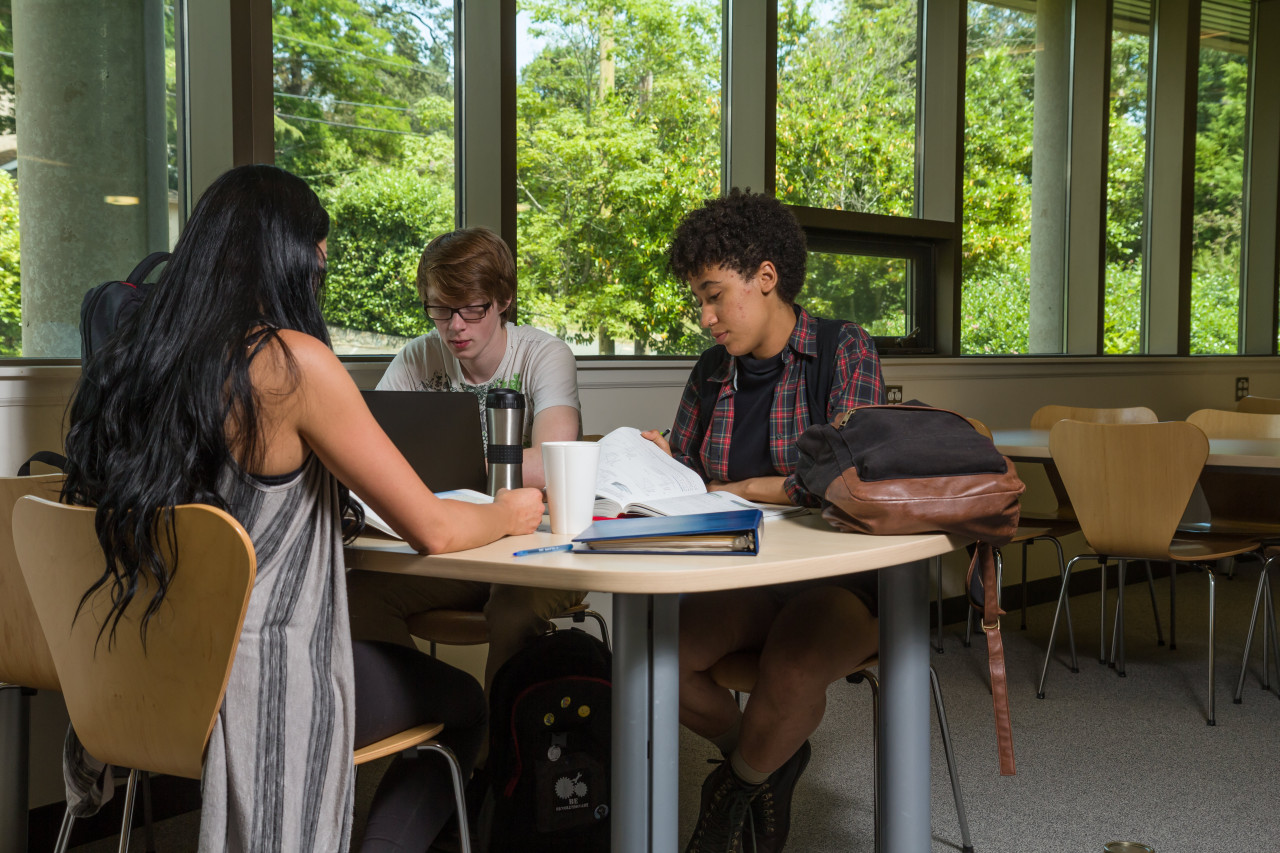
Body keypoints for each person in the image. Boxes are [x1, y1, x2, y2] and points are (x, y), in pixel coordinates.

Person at [60, 164, 545, 853]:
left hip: (145, 673)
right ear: (298, 256)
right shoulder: (291, 365)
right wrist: (511, 510)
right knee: (468, 707)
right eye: (319, 253)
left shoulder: (139, 359)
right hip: (257, 684)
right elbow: (434, 528)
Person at [641, 189, 885, 853]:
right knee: (659, 662)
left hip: (839, 578)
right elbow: (691, 481)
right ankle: (760, 765)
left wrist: (749, 486)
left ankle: (730, 789)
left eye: (715, 294)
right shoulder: (710, 372)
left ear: (767, 277)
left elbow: (848, 476)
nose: (705, 316)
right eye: (698, 298)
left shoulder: (845, 350)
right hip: (742, 573)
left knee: (794, 664)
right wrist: (657, 466)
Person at [347, 227, 584, 693]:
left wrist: (436, 469)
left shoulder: (543, 355)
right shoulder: (417, 356)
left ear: (503, 300)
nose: (455, 325)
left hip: (536, 550)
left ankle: (497, 757)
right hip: (455, 543)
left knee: (513, 611)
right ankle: (438, 719)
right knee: (355, 598)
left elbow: (554, 462)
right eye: (440, 309)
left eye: (472, 309)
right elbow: (369, 456)